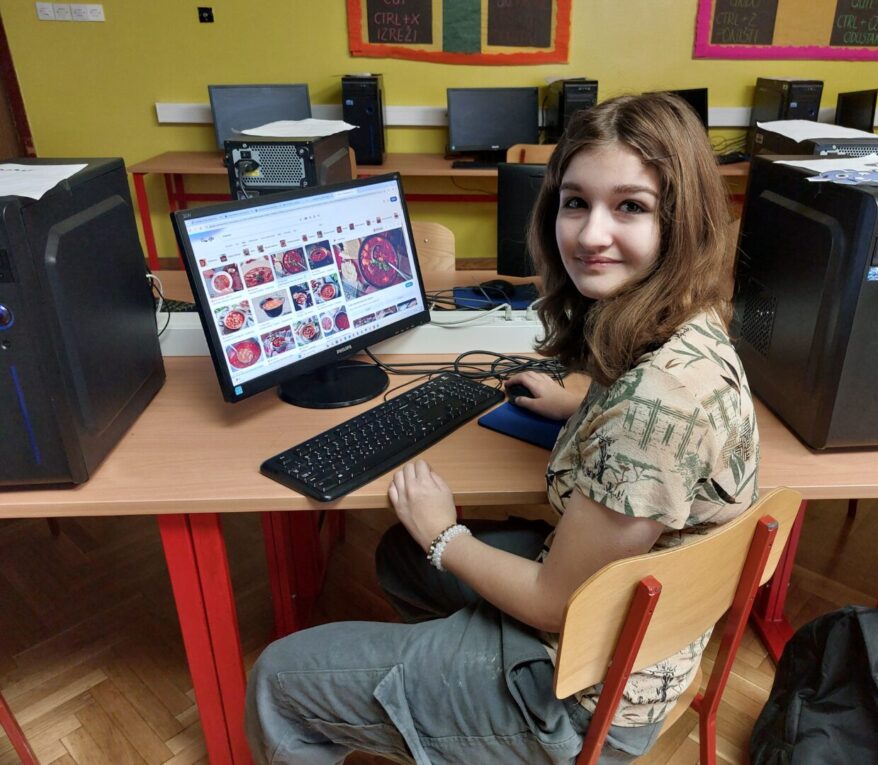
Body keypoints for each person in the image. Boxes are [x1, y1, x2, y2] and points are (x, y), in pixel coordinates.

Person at [245, 92, 760, 765]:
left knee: (280, 676)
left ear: (681, 219)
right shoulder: (689, 323)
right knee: (400, 557)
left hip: (582, 695)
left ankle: (488, 713)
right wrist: (579, 410)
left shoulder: (654, 408)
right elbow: (658, 449)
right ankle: (449, 699)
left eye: (630, 206)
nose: (590, 235)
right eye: (575, 202)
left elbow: (554, 603)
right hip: (631, 638)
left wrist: (446, 534)